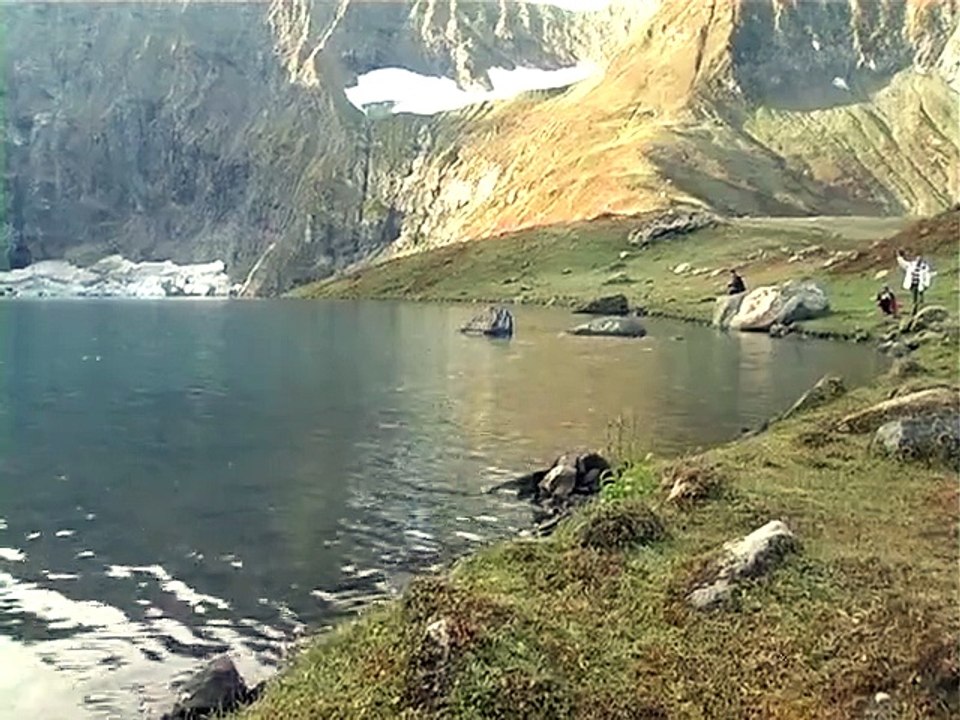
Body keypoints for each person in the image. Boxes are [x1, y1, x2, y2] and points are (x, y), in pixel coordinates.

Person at [896, 250, 935, 315]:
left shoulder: (924, 267)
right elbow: (903, 264)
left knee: (920, 297)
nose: (918, 259)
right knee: (914, 298)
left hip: (920, 284)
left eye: (920, 258)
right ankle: (915, 309)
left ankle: (921, 309)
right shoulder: (911, 265)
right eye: (917, 258)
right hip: (913, 284)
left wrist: (926, 284)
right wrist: (899, 257)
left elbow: (927, 276)